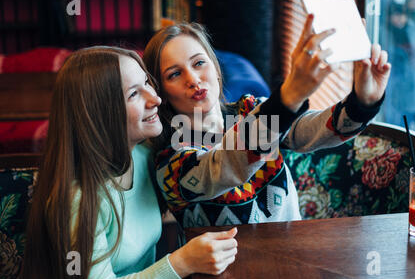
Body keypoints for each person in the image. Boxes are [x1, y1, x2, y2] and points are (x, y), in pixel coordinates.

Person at [143, 16, 391, 229]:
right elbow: (227, 164)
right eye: (174, 74)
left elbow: (315, 131)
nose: (194, 79)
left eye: (199, 63)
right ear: (161, 92)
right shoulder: (170, 160)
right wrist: (290, 95)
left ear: (216, 69)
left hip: (292, 257)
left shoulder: (251, 109)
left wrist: (363, 101)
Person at [20, 46, 238, 279]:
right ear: (99, 113)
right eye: (134, 94)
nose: (155, 98)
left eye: (147, 82)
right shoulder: (78, 198)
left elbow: (213, 161)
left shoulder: (145, 156)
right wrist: (182, 262)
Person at [383, 2, 415, 127]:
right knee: (393, 112)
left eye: (401, 16)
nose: (399, 19)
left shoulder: (411, 28)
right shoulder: (385, 30)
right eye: (395, 16)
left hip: (410, 75)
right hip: (393, 74)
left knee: (408, 112)